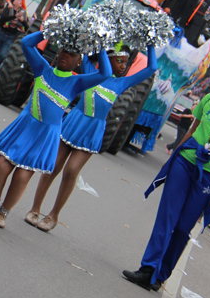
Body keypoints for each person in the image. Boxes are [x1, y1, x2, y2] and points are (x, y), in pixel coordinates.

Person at [123, 62, 210, 291]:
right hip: (185, 161)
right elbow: (192, 130)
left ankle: (160, 276)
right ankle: (148, 269)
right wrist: (175, 155)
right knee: (167, 217)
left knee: (183, 227)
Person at [0, 32, 111, 228]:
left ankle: (4, 212)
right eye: (64, 50)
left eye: (72, 53)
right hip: (25, 125)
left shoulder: (77, 82)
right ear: (58, 52)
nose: (66, 55)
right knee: (1, 166)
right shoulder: (43, 68)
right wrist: (52, 29)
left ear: (78, 62)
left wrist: (100, 44)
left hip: (44, 134)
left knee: (22, 175)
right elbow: (26, 42)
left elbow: (105, 74)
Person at [26, 43, 158, 231]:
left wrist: (151, 44)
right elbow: (88, 52)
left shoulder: (122, 83)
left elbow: (152, 68)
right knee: (52, 166)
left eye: (126, 63)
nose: (123, 66)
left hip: (91, 131)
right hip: (74, 123)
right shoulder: (90, 70)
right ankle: (35, 208)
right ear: (108, 59)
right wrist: (103, 42)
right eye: (120, 61)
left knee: (71, 170)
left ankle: (54, 215)